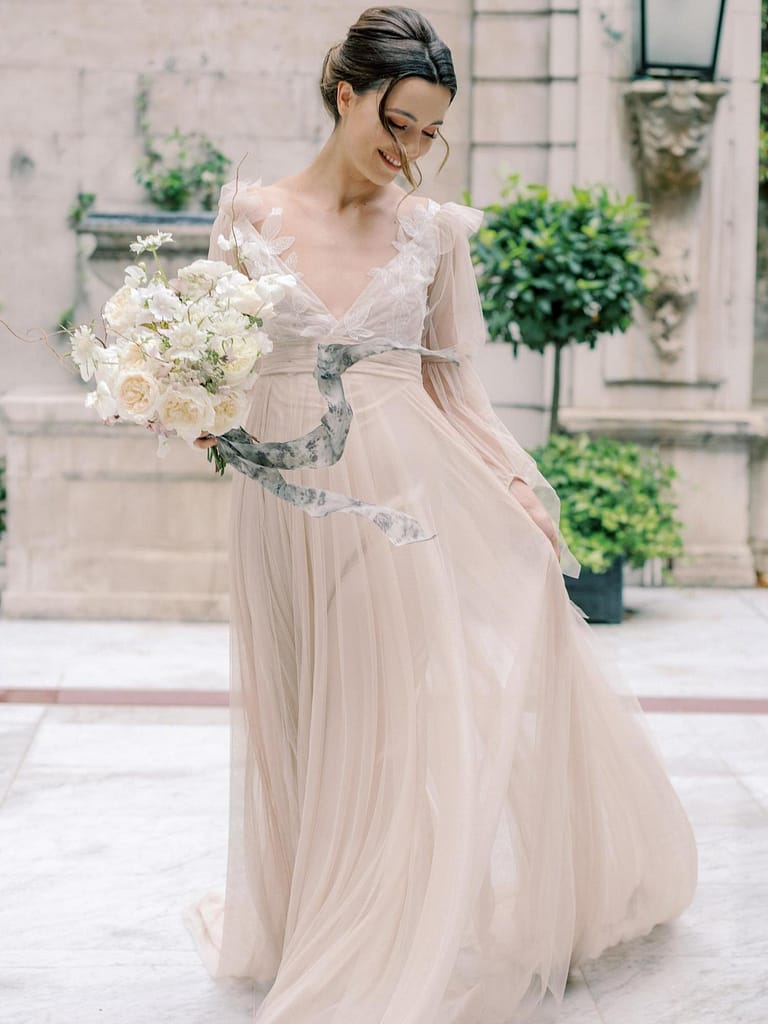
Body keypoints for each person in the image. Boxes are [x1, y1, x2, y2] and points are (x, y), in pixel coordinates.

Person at [186, 7, 698, 1022]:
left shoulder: (431, 231)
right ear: (347, 95)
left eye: (428, 133)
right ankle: (305, 919)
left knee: (384, 721)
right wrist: (186, 401)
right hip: (278, 505)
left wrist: (515, 482)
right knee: (299, 716)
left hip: (394, 503)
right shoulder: (246, 215)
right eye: (399, 123)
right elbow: (220, 363)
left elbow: (457, 390)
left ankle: (380, 933)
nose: (412, 151)